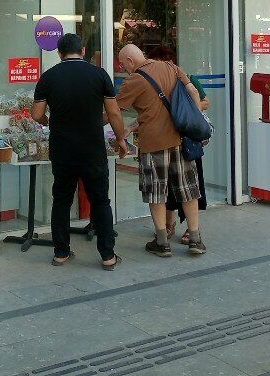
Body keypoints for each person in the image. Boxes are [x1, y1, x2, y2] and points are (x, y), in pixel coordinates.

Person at [32, 33, 128, 270]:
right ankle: (107, 255)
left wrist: (49, 122)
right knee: (100, 201)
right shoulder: (99, 75)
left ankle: (61, 253)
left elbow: (36, 115)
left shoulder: (48, 77)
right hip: (92, 150)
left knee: (62, 200)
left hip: (62, 150)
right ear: (83, 51)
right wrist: (120, 139)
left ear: (58, 53)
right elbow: (114, 113)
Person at [116, 44, 207, 257]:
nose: (123, 67)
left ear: (130, 60)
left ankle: (162, 242)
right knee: (188, 190)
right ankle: (195, 239)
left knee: (156, 193)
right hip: (181, 139)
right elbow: (192, 90)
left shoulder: (133, 80)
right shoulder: (170, 67)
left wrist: (118, 134)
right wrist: (195, 118)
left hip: (153, 144)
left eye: (122, 63)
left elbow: (114, 111)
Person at [144, 47, 211, 244]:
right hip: (165, 140)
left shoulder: (186, 78)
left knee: (189, 187)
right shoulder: (152, 81)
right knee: (169, 189)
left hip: (186, 140)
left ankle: (192, 231)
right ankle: (169, 224)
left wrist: (185, 110)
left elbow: (205, 101)